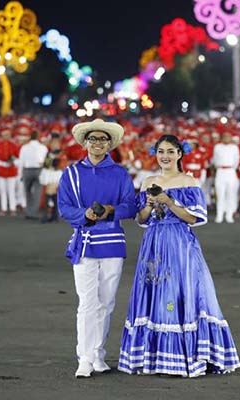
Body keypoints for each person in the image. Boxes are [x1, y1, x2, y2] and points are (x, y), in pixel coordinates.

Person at [118, 134, 240, 377]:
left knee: (179, 291)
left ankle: (185, 355)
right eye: (161, 151)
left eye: (170, 152)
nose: (165, 156)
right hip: (153, 242)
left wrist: (170, 202)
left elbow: (194, 218)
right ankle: (155, 357)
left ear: (180, 154)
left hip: (179, 243)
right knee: (154, 291)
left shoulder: (189, 181)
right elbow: (141, 219)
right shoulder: (147, 181)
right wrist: (150, 205)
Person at [57, 118, 136, 378]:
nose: (97, 143)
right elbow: (64, 208)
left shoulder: (120, 173)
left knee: (107, 302)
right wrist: (86, 214)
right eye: (93, 139)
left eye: (102, 139)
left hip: (112, 242)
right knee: (87, 302)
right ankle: (85, 357)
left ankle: (98, 353)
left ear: (109, 143)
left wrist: (111, 210)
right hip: (85, 241)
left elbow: (131, 206)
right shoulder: (71, 173)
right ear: (86, 142)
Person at [19, 130, 48, 219]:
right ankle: (34, 212)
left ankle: (28, 212)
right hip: (38, 170)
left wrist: (20, 174)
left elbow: (21, 161)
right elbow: (45, 161)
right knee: (37, 192)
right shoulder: (43, 147)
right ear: (38, 137)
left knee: (27, 192)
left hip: (27, 170)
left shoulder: (24, 147)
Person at [212, 132, 240, 223]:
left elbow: (237, 160)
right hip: (220, 171)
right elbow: (215, 160)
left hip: (231, 171)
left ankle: (229, 215)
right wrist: (220, 167)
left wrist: (231, 168)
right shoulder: (217, 147)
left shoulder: (234, 147)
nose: (226, 138)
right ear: (222, 138)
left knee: (231, 194)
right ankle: (219, 215)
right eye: (225, 137)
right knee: (220, 194)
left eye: (228, 137)